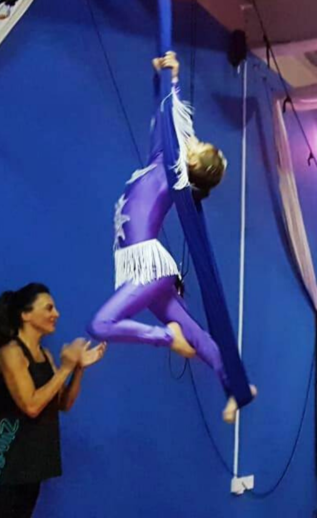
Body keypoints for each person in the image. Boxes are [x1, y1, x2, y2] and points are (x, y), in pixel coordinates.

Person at [87, 52, 256, 423]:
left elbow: (173, 122)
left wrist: (173, 82)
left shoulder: (175, 176)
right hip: (147, 267)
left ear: (191, 165)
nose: (192, 141)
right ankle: (237, 387)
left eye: (197, 147)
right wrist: (164, 78)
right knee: (195, 332)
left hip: (148, 267)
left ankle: (167, 338)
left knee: (100, 325)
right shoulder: (160, 162)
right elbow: (162, 118)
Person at [0, 283, 107, 517]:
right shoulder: (10, 353)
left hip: (27, 471)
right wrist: (66, 368)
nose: (56, 314)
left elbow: (63, 403)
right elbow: (31, 406)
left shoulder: (45, 355)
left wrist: (78, 368)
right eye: (49, 308)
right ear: (26, 315)